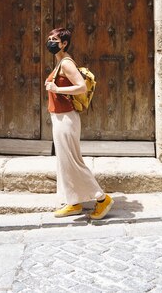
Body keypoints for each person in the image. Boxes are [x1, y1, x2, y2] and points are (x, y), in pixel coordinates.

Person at [45, 27, 113, 220]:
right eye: (49, 38)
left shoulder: (66, 63)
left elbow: (82, 87)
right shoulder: (60, 63)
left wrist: (56, 89)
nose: (50, 41)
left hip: (66, 117)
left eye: (54, 39)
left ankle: (102, 199)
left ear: (64, 43)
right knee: (64, 162)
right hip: (59, 117)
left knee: (73, 162)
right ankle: (73, 202)